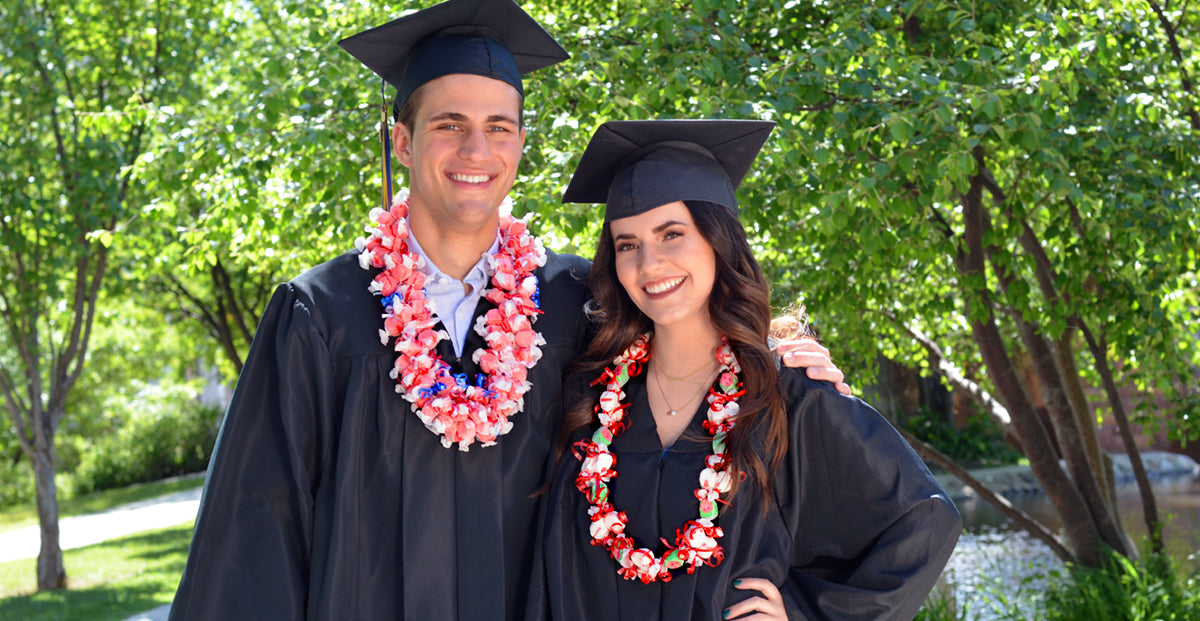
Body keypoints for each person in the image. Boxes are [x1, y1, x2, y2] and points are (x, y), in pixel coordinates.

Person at [168, 1, 848, 619]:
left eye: (499, 126)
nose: (476, 150)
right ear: (402, 141)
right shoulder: (320, 317)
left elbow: (698, 366)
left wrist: (781, 359)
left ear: (521, 144)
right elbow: (254, 537)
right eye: (449, 124)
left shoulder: (582, 302)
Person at [531, 119, 961, 620]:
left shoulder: (787, 392)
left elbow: (921, 520)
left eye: (672, 234)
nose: (648, 264)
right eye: (627, 244)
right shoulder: (593, 396)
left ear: (718, 240)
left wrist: (804, 616)